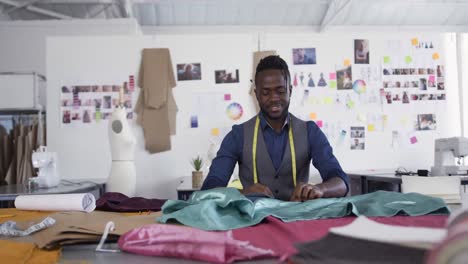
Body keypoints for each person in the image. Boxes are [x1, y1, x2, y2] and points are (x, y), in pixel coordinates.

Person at [201, 55, 348, 201]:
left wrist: (320, 189)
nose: (273, 98)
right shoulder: (238, 135)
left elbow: (341, 181)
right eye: (265, 92)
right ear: (256, 93)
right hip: (252, 220)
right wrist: (242, 193)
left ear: (290, 90)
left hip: (297, 219)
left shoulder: (310, 132)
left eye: (280, 91)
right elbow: (209, 189)